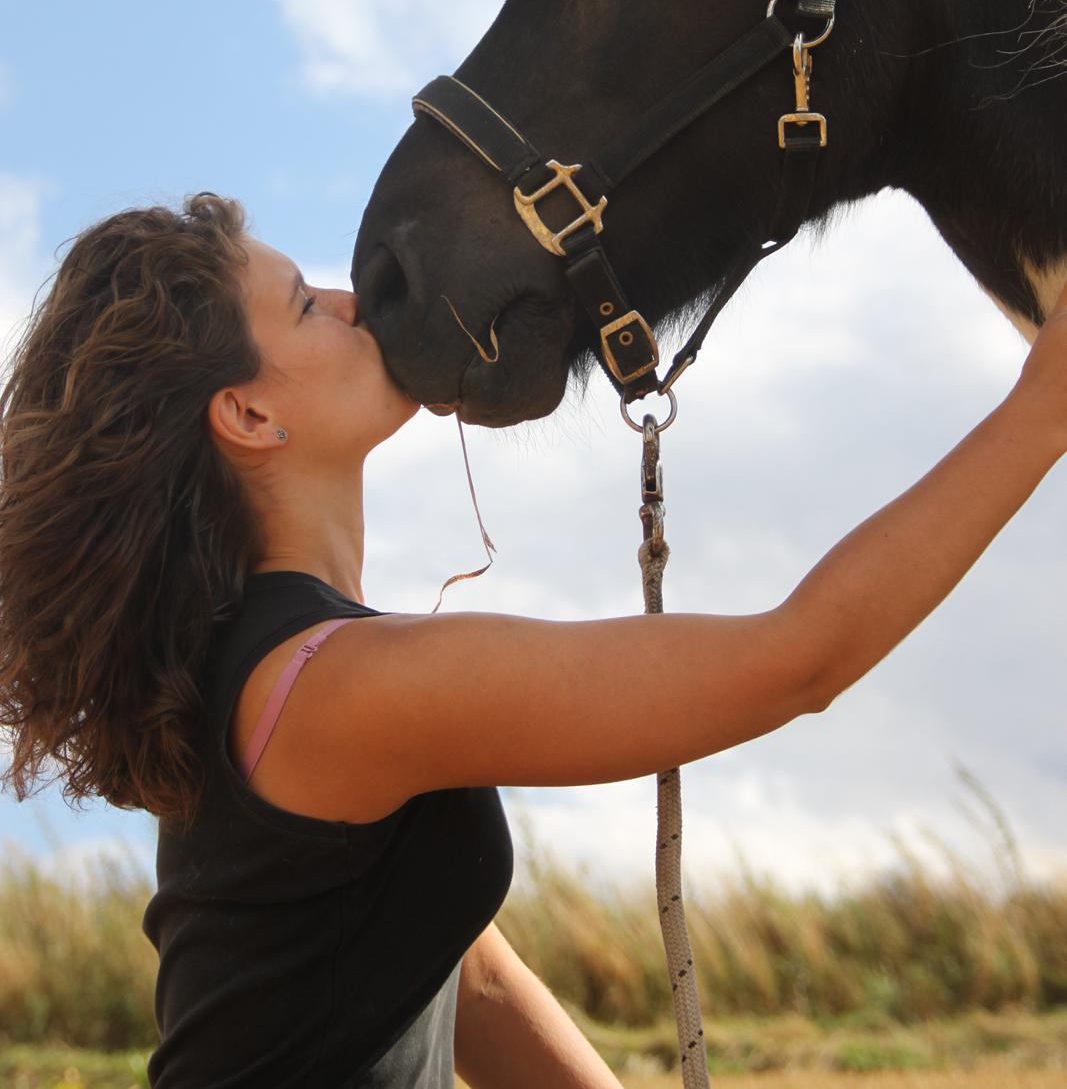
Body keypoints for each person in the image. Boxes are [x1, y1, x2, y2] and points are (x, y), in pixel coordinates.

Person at [0, 191, 1063, 1088]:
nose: (349, 299)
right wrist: (1041, 408)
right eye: (302, 304)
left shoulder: (294, 670)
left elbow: (465, 975)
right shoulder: (339, 687)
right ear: (249, 416)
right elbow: (798, 657)